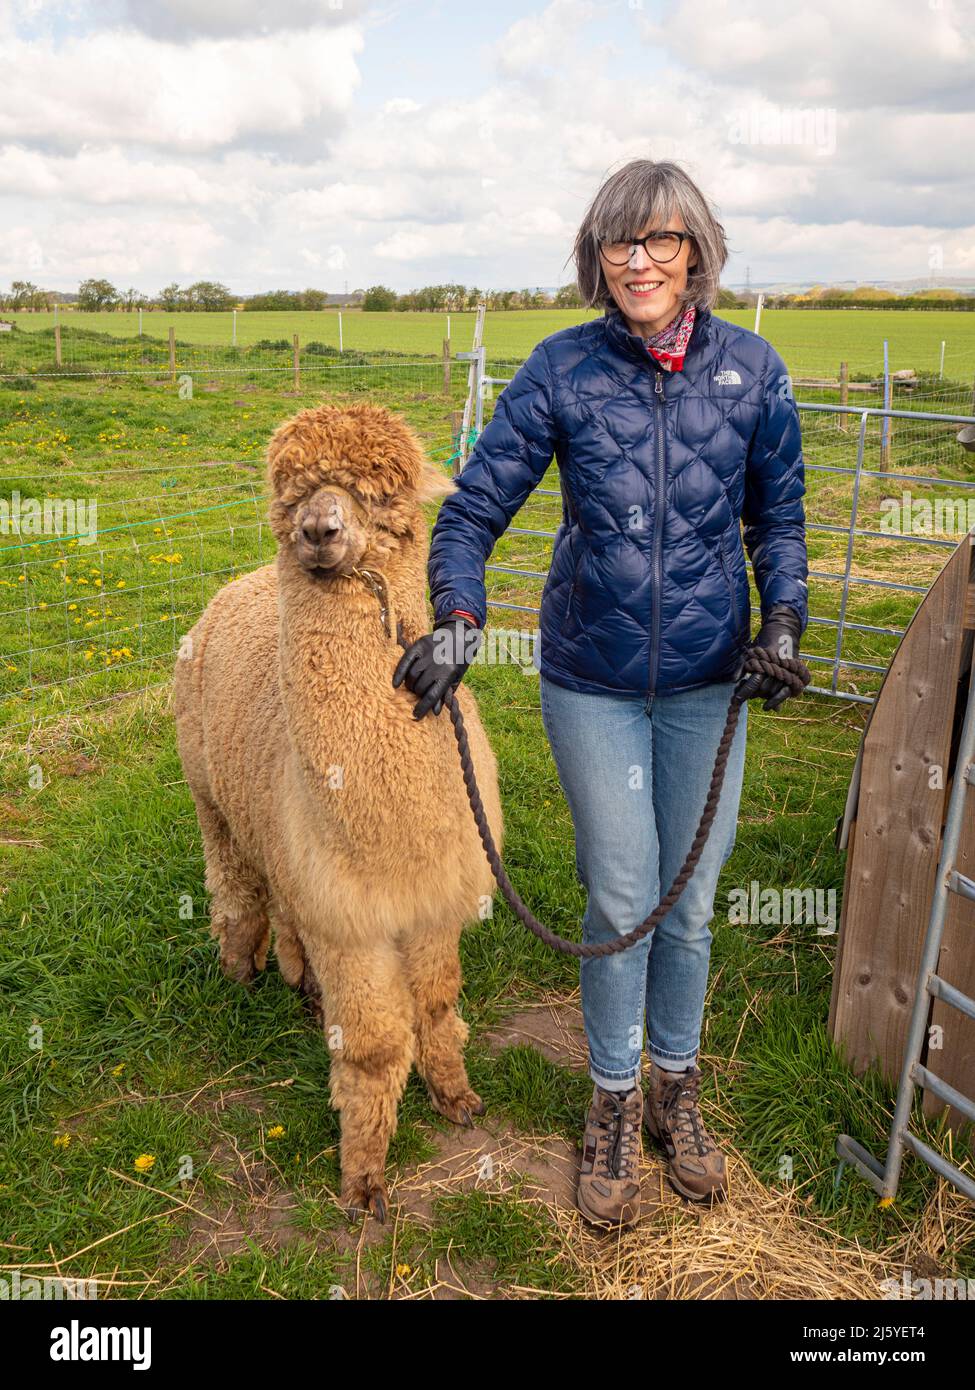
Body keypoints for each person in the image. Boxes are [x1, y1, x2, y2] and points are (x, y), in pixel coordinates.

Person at [392, 158, 808, 1227]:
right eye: (620, 242)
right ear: (597, 257)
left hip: (712, 681)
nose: (640, 260)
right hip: (594, 680)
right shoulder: (562, 371)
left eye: (661, 239)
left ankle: (678, 1082)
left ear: (697, 250)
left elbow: (780, 524)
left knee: (693, 898)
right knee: (625, 896)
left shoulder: (754, 372)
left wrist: (785, 623)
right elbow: (473, 511)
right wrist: (458, 617)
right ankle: (614, 1099)